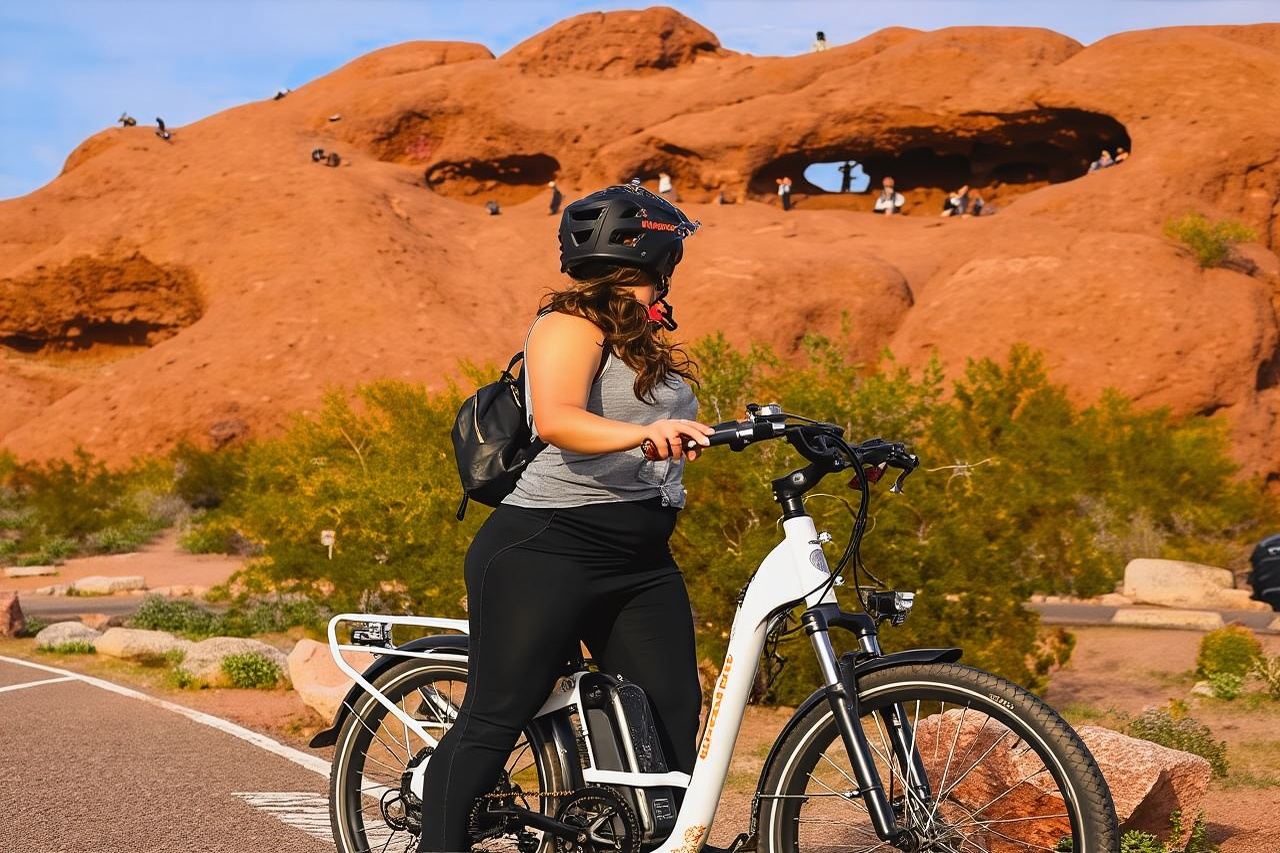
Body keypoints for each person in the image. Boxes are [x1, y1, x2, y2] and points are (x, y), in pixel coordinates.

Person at [418, 181, 711, 852]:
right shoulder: (568, 324)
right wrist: (646, 434)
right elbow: (556, 418)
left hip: (639, 560)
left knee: (668, 719)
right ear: (657, 252)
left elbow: (652, 427)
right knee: (496, 717)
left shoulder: (643, 337)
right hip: (544, 547)